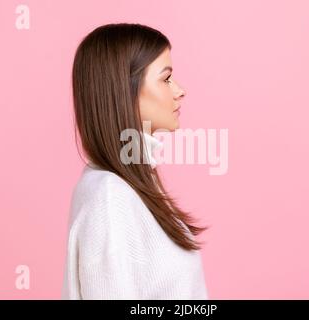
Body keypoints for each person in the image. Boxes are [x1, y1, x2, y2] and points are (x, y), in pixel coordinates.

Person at [61, 23, 210, 299]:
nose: (179, 90)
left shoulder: (132, 184)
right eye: (166, 79)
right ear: (125, 90)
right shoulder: (109, 195)